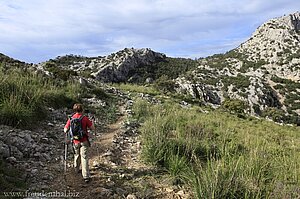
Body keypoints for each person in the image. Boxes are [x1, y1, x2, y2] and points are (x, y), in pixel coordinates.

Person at [64, 103, 95, 183]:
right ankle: (86, 176)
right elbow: (92, 128)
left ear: (74, 110)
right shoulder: (84, 118)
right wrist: (92, 122)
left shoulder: (71, 118)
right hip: (84, 140)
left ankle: (76, 169)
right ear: (82, 110)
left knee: (77, 155)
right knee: (84, 157)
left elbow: (65, 129)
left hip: (75, 141)